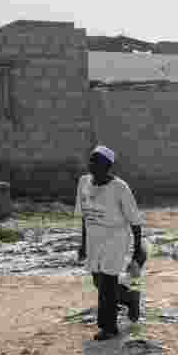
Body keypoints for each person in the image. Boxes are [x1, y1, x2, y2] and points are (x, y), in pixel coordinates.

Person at [75, 145, 146, 341]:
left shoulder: (120, 188)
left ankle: (109, 327)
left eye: (96, 161)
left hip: (115, 239)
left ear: (107, 166)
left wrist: (137, 248)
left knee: (107, 282)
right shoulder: (83, 183)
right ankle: (129, 298)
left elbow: (135, 220)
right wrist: (83, 244)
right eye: (90, 160)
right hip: (93, 240)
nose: (91, 164)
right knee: (98, 281)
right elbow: (83, 216)